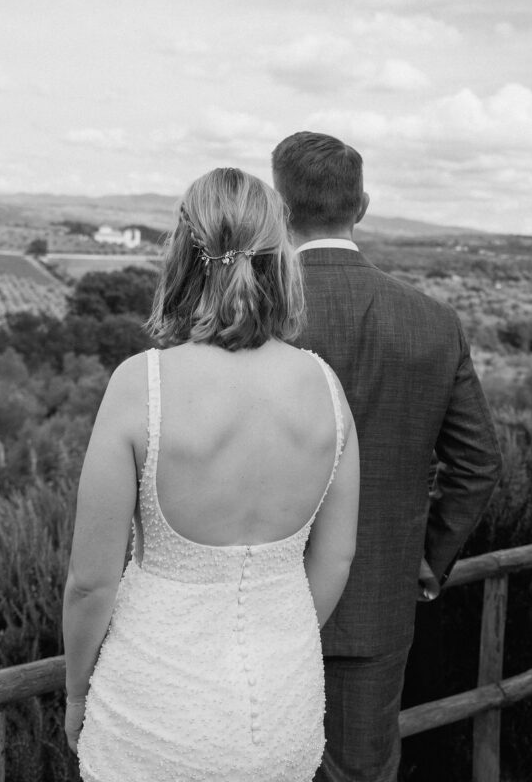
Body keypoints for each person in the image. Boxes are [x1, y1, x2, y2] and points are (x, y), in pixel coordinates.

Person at [63, 167, 360, 782]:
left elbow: (90, 584)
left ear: (182, 253)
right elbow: (333, 562)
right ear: (281, 259)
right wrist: (279, 644)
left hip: (155, 712)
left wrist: (73, 694)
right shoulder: (325, 389)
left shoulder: (140, 385)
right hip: (282, 710)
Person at [271, 132, 502, 782]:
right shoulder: (431, 321)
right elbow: (478, 463)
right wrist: (425, 557)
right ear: (362, 206)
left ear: (280, 210)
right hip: (377, 599)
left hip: (253, 602)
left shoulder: (251, 317)